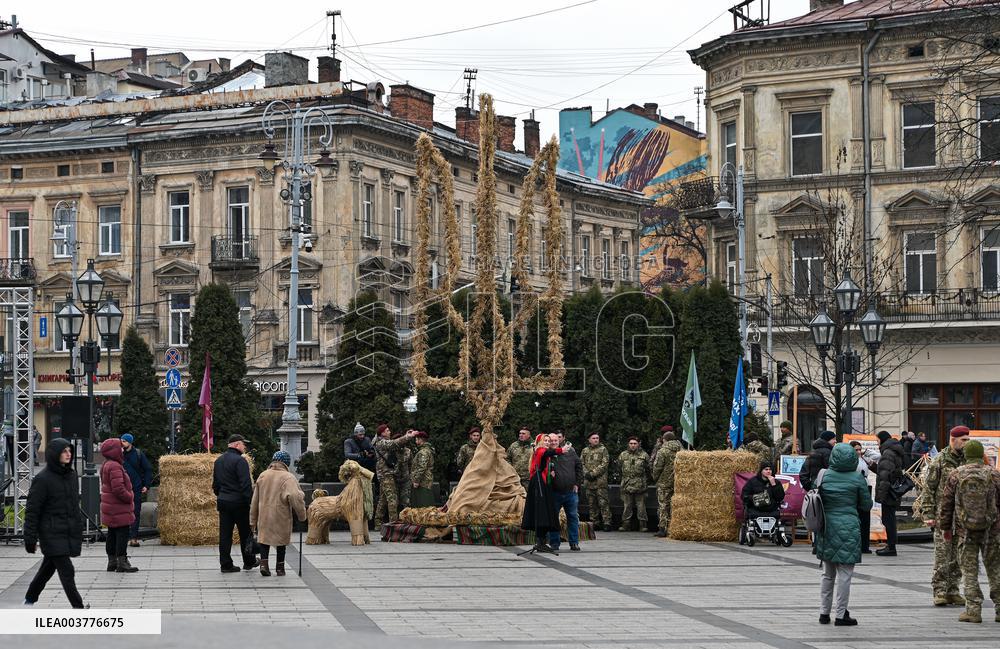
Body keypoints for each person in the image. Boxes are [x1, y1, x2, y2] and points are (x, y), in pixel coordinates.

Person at [938, 440, 1000, 623]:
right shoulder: (994, 474)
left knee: (969, 571)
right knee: (995, 570)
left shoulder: (956, 474)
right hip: (992, 530)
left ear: (965, 455)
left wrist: (946, 528)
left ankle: (973, 611)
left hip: (965, 531)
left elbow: (946, 504)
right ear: (982, 455)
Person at [23, 438, 87, 608]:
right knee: (67, 570)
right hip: (50, 533)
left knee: (47, 568)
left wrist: (78, 527)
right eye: (64, 451)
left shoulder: (72, 476)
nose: (69, 454)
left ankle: (29, 600)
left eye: (70, 451)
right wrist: (30, 538)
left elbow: (73, 506)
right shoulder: (42, 479)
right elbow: (32, 510)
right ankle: (79, 608)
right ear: (55, 454)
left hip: (67, 531)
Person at [816, 443, 873, 626]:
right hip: (849, 527)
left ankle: (824, 613)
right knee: (845, 574)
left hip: (826, 527)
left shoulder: (823, 475)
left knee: (827, 573)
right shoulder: (857, 478)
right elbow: (866, 505)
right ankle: (841, 615)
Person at [921, 425, 969, 606]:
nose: (966, 443)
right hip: (944, 516)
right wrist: (928, 512)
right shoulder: (940, 460)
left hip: (962, 517)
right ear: (952, 439)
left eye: (967, 440)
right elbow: (929, 488)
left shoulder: (967, 460)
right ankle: (939, 590)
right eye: (963, 440)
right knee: (942, 555)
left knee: (958, 556)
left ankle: (953, 590)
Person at [250, 450, 307, 577]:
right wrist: (302, 515)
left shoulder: (263, 475)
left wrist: (252, 520)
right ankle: (280, 568)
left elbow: (255, 499)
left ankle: (264, 565)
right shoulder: (288, 477)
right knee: (281, 542)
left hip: (264, 514)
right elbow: (295, 497)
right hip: (280, 514)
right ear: (286, 463)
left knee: (264, 540)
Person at [213, 434, 257, 573]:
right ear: (237, 444)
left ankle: (225, 564)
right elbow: (245, 485)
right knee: (245, 534)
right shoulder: (240, 461)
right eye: (244, 444)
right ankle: (249, 561)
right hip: (239, 503)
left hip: (223, 501)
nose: (245, 447)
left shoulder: (218, 461)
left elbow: (215, 485)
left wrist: (221, 495)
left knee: (225, 535)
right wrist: (250, 503)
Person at [99, 438, 138, 573]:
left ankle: (112, 561)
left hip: (110, 506)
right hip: (118, 507)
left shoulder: (106, 464)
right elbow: (118, 489)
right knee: (122, 533)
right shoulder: (115, 466)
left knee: (112, 533)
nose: (122, 449)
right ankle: (122, 562)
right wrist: (130, 496)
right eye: (119, 447)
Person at [521, 434, 562, 554]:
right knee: (541, 511)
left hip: (543, 483)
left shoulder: (543, 452)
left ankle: (542, 541)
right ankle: (540, 542)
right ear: (539, 442)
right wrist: (561, 450)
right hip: (538, 484)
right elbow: (546, 454)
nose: (548, 442)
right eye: (545, 440)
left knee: (545, 511)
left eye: (549, 441)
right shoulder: (539, 450)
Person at [373, 425, 417, 528]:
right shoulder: (381, 442)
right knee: (392, 499)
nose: (389, 432)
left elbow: (396, 444)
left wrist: (407, 435)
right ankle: (393, 525)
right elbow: (394, 443)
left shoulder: (383, 441)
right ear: (382, 433)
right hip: (386, 474)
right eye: (387, 431)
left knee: (383, 499)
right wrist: (408, 437)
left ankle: (378, 523)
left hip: (388, 474)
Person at [548, 431, 583, 552]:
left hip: (570, 492)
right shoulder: (547, 454)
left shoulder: (570, 451)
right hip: (554, 492)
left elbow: (579, 466)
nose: (553, 442)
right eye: (551, 440)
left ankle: (574, 542)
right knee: (553, 518)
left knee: (572, 517)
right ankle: (554, 543)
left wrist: (577, 483)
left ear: (559, 440)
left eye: (556, 440)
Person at [874, 430, 906, 557]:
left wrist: (881, 496)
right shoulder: (894, 451)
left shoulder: (887, 453)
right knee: (890, 518)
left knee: (888, 520)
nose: (877, 443)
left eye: (877, 440)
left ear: (882, 439)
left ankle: (891, 547)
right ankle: (890, 545)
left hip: (888, 492)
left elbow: (885, 476)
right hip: (894, 490)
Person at [120, 433, 153, 548]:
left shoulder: (138, 454)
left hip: (136, 487)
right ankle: (124, 537)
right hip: (122, 488)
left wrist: (146, 485)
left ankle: (133, 538)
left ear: (130, 442)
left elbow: (148, 469)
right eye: (121, 441)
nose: (122, 443)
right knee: (123, 512)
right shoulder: (119, 454)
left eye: (124, 441)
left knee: (135, 512)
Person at [651, 431, 682, 537]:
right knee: (675, 505)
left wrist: (655, 478)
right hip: (678, 482)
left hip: (664, 482)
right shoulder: (681, 450)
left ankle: (663, 528)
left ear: (664, 440)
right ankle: (674, 527)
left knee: (663, 505)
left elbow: (657, 467)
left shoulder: (663, 451)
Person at [581, 432, 612, 532]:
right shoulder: (585, 451)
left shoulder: (603, 449)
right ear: (589, 440)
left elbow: (604, 464)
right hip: (589, 482)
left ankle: (606, 522)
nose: (595, 440)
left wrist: (593, 473)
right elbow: (581, 463)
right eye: (593, 438)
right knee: (591, 504)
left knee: (603, 503)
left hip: (600, 482)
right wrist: (586, 473)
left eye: (597, 438)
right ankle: (595, 522)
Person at [618, 437, 649, 532]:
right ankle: (626, 524)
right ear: (628, 444)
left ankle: (643, 525)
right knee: (627, 505)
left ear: (638, 444)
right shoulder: (623, 455)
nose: (633, 445)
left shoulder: (644, 455)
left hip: (640, 485)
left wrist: (644, 481)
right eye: (631, 443)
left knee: (641, 506)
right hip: (627, 484)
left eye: (635, 443)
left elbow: (648, 469)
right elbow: (619, 468)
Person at [849, 441, 873, 554]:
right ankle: (857, 544)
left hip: (865, 487)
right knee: (857, 518)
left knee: (865, 517)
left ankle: (864, 545)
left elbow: (876, 458)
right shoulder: (851, 461)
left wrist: (867, 455)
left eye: (860, 449)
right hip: (855, 489)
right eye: (856, 450)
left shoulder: (863, 459)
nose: (858, 452)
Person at [410, 431, 436, 508]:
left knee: (423, 505)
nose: (415, 441)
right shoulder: (426, 450)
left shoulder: (423, 452)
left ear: (420, 440)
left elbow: (422, 467)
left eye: (416, 439)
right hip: (424, 480)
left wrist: (416, 480)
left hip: (423, 482)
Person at [394, 430, 415, 510]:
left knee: (406, 501)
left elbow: (411, 465)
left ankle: (407, 519)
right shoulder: (392, 451)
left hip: (406, 479)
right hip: (394, 479)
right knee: (394, 502)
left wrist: (411, 477)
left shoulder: (408, 451)